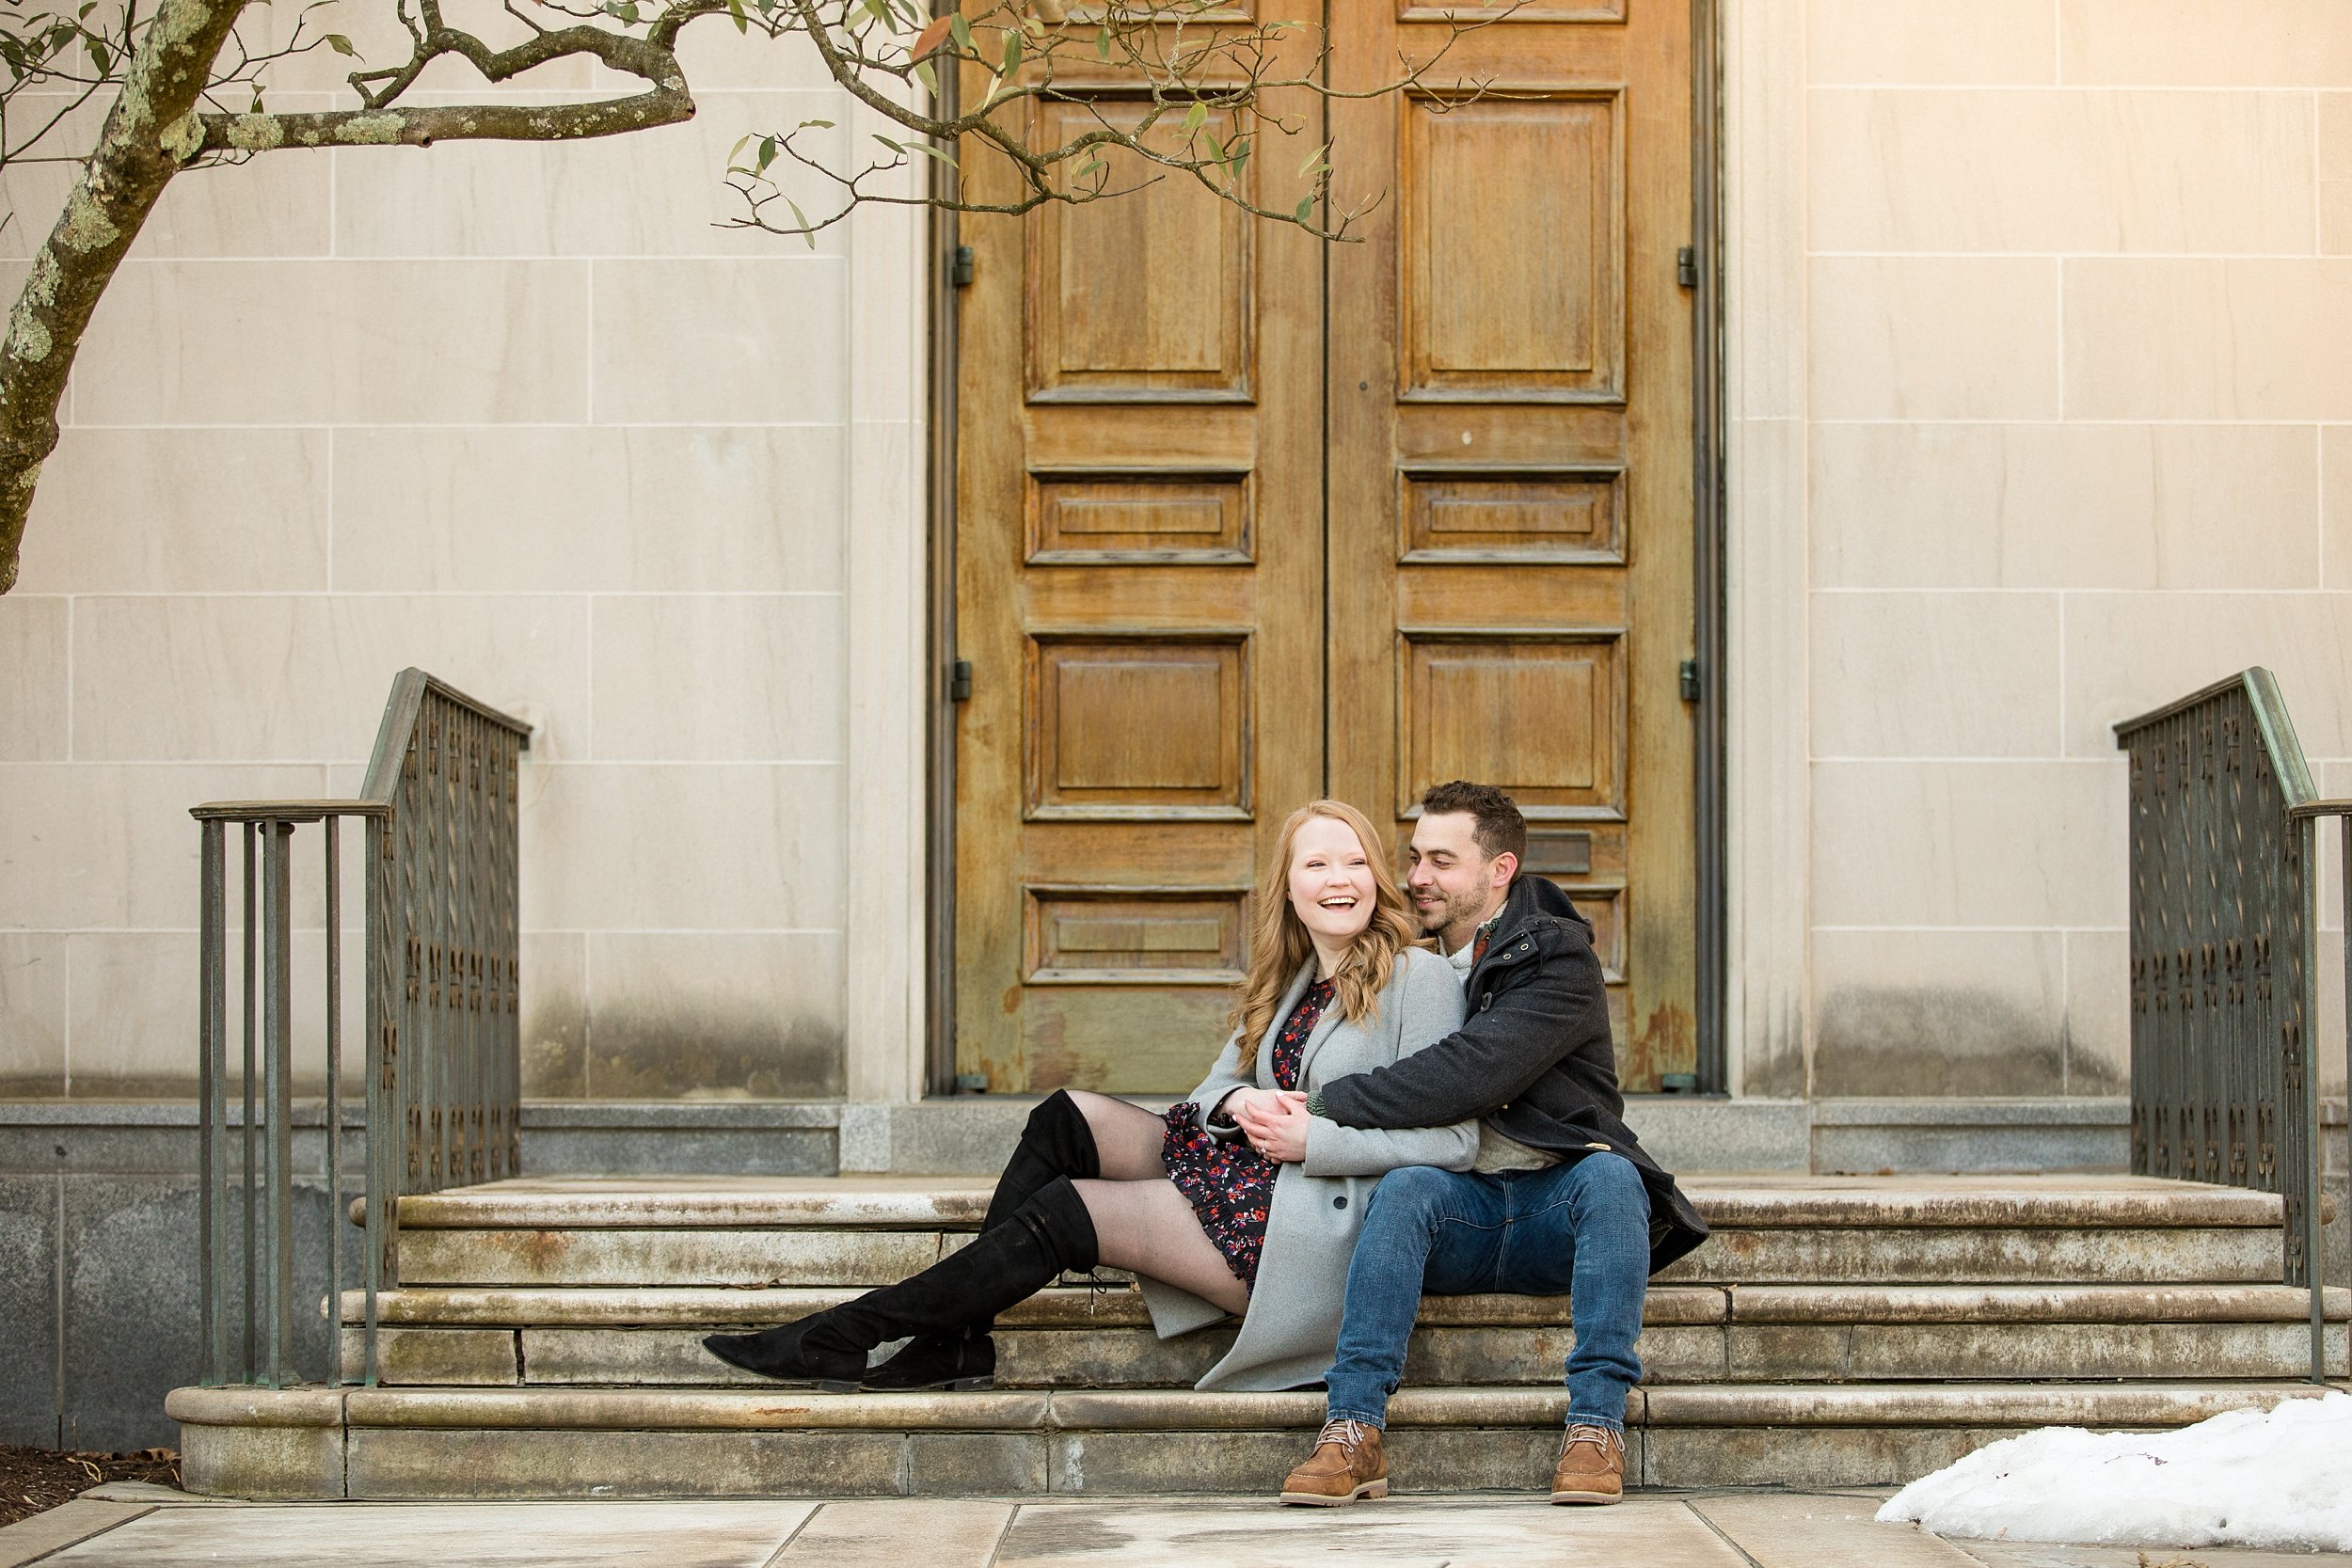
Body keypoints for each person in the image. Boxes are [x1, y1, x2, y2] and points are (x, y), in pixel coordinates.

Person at [703, 800, 1478, 1399]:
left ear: (1377, 878)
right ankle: (954, 1339)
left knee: (1069, 1211)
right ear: (1291, 885)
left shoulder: (1422, 978)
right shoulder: (1292, 980)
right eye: (1316, 863)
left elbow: (1455, 1144)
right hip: (1249, 1175)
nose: (1336, 879)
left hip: (1317, 1224)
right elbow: (1212, 1087)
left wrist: (1317, 1140)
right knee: (1066, 1115)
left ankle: (850, 1330)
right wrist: (1238, 1104)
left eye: (1353, 862)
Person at [1248, 781, 1711, 1509]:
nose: (1415, 877)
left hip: (1551, 1204)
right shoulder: (1414, 960)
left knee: (1615, 1179)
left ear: (1499, 870)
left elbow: (1466, 1073)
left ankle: (1595, 1427)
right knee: (1407, 1189)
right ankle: (1352, 1429)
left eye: (1441, 860)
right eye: (1413, 857)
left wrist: (1325, 1106)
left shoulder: (1556, 958)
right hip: (1460, 1206)